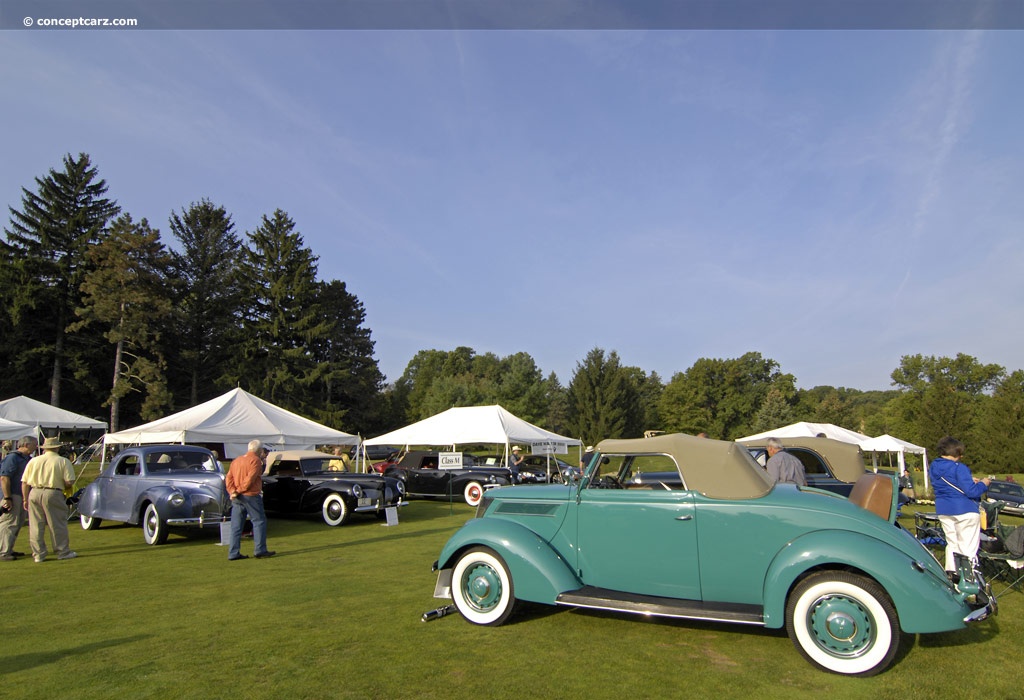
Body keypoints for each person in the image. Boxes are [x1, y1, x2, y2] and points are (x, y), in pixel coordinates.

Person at [930, 436, 989, 575]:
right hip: (964, 509)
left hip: (944, 509)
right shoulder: (959, 467)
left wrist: (968, 480)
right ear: (957, 454)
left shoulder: (934, 466)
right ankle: (968, 578)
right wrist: (983, 484)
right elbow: (971, 491)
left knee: (952, 544)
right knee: (967, 547)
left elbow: (948, 483)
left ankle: (952, 575)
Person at [21, 436, 77, 562]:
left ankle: (38, 554)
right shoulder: (63, 461)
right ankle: (62, 551)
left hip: (34, 492)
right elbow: (69, 482)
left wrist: (25, 499)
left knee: (35, 525)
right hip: (53, 492)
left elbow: (24, 482)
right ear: (57, 447)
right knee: (57, 523)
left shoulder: (33, 461)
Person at [224, 439, 275, 561]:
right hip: (250, 495)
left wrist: (232, 491)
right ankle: (260, 549)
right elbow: (250, 479)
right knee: (259, 521)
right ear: (259, 450)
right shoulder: (256, 461)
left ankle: (233, 552)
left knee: (236, 525)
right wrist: (238, 490)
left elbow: (229, 478)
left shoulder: (237, 460)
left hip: (237, 497)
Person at [0, 435, 37, 561]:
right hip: (13, 494)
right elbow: (4, 478)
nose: (36, 447)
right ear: (26, 445)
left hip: (21, 495)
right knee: (9, 523)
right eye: (34, 444)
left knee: (18, 523)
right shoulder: (13, 458)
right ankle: (3, 551)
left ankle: (8, 548)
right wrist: (7, 497)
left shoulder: (27, 459)